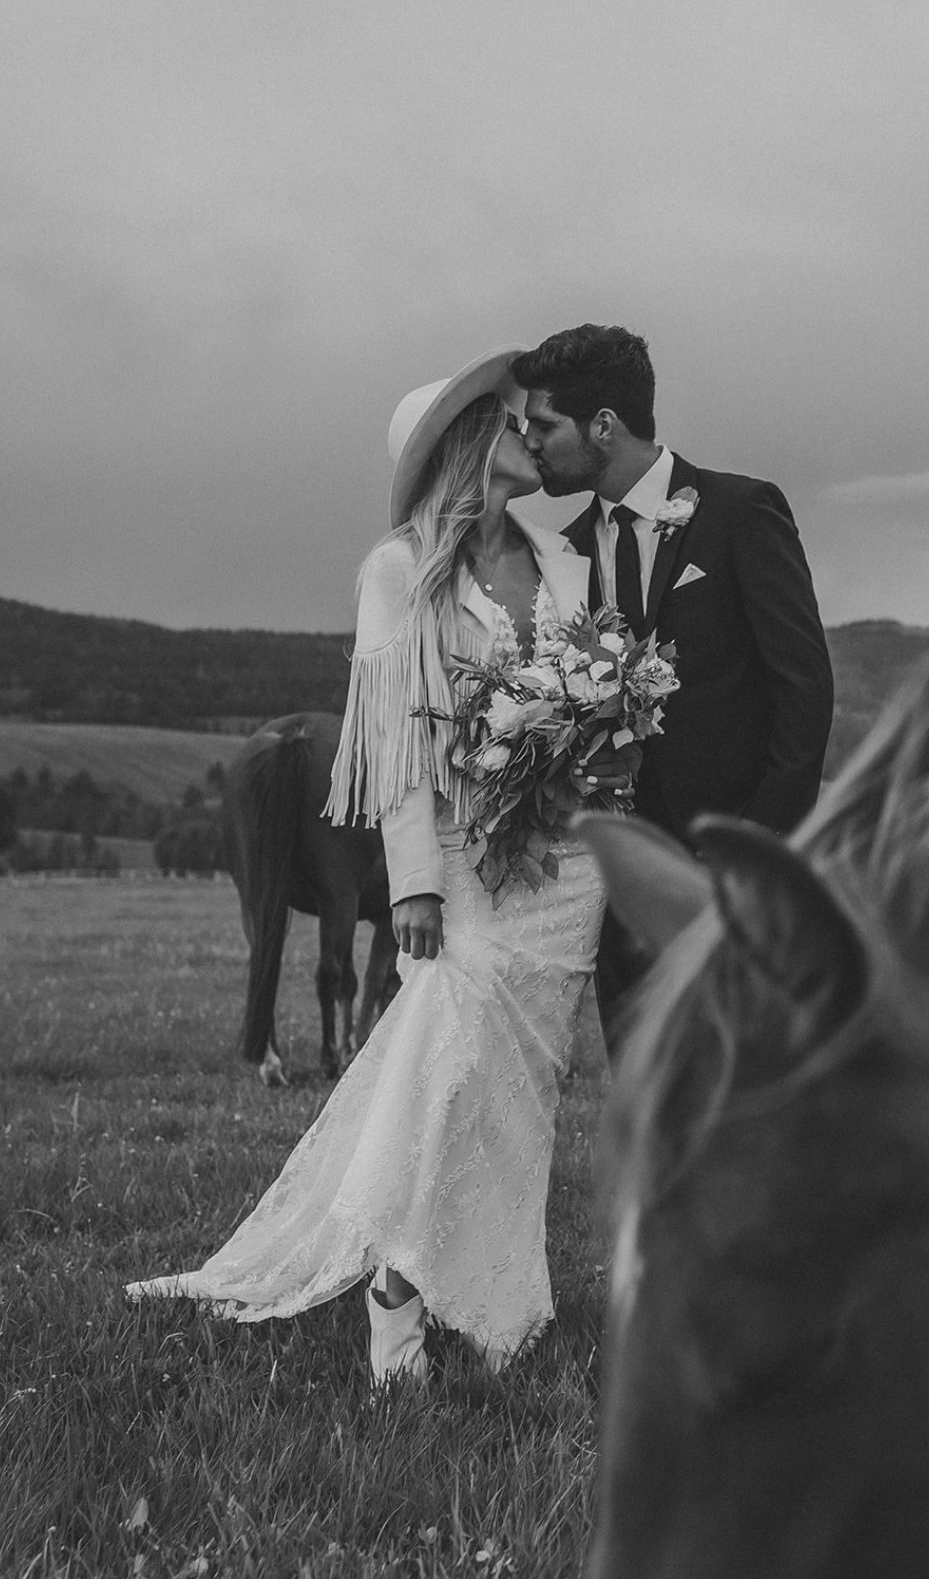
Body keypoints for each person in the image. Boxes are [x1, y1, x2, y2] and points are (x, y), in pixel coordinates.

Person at [128, 345, 606, 1381]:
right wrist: (417, 883)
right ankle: (395, 1284)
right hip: (464, 861)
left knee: (521, 1084)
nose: (529, 429)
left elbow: (581, 705)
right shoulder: (397, 572)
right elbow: (393, 743)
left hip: (564, 870)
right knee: (452, 1063)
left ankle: (493, 1291)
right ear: (469, 445)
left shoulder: (561, 564)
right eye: (509, 420)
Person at [511, 324, 834, 1027]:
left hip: (737, 873)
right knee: (643, 1086)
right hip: (618, 887)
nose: (530, 441)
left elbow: (804, 689)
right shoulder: (559, 559)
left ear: (603, 425)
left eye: (544, 423)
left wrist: (755, 853)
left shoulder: (740, 512)